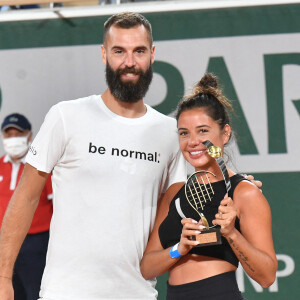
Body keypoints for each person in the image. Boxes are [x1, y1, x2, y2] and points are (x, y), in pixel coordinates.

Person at [0, 13, 262, 300]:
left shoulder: (169, 132)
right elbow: (24, 198)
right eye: (119, 51)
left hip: (137, 293)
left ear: (152, 55)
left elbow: (186, 188)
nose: (129, 62)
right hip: (66, 292)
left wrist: (237, 183)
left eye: (138, 51)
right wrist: (3, 277)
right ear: (104, 55)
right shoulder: (66, 116)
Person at [140, 73, 277, 299]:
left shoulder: (245, 192)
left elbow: (267, 276)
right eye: (184, 133)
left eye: (203, 131)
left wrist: (231, 232)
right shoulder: (175, 193)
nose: (193, 141)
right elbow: (147, 268)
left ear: (225, 133)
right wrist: (179, 248)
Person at [0, 113, 53, 300]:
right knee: (9, 292)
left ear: (29, 135)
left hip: (36, 241)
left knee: (36, 292)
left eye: (18, 133)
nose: (13, 139)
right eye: (9, 134)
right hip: (5, 242)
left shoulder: (40, 165)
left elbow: (58, 205)